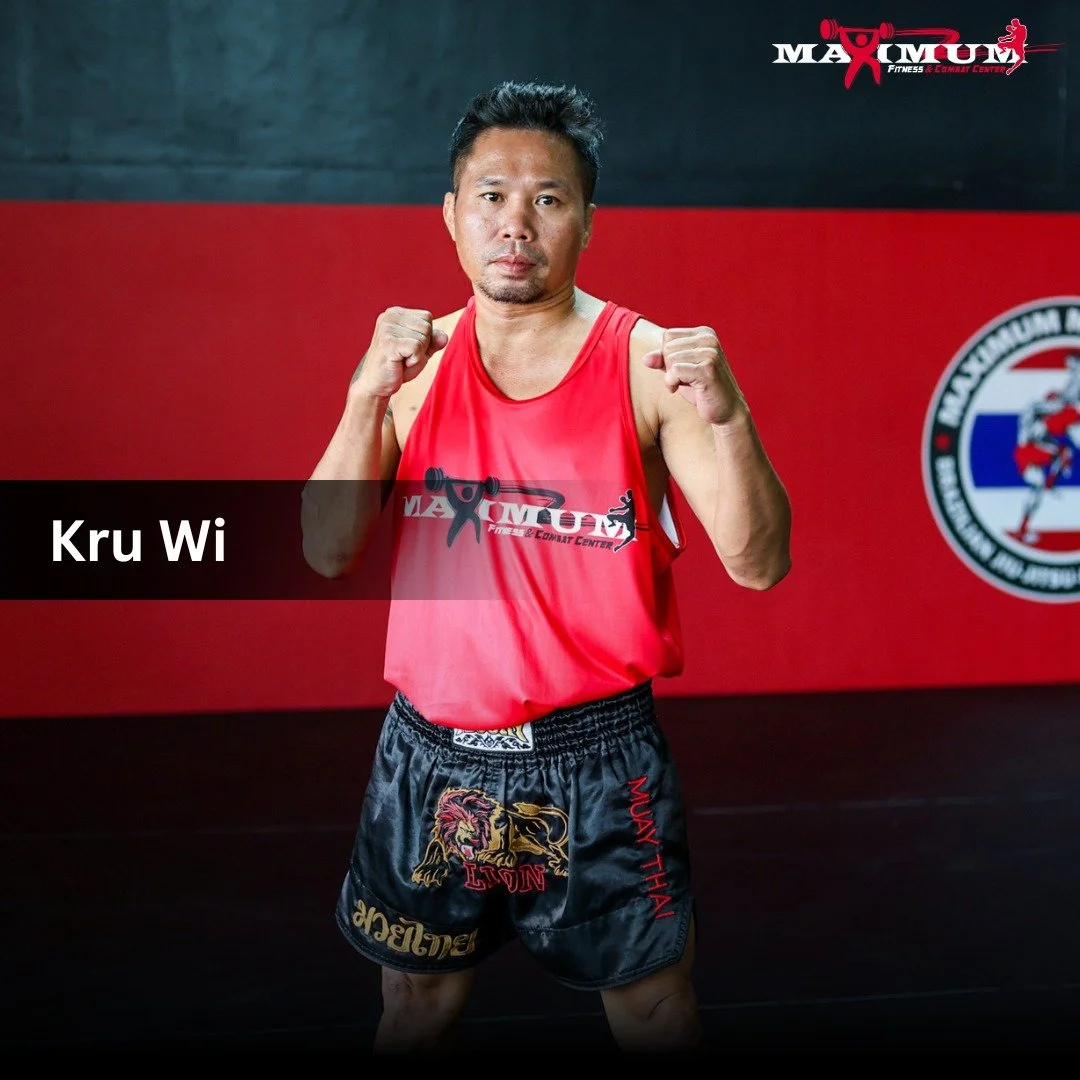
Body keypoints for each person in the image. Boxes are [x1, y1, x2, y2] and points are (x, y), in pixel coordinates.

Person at [301, 80, 791, 1054]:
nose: (515, 223)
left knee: (653, 1010)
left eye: (548, 199)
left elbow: (759, 564)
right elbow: (326, 547)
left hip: (599, 763)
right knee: (413, 1004)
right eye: (491, 196)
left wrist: (729, 420)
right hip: (429, 757)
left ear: (588, 222)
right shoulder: (413, 370)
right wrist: (363, 398)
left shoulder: (649, 365)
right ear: (451, 217)